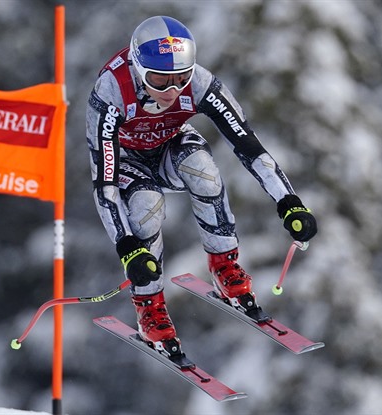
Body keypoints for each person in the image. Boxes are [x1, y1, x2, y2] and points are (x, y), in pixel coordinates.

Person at [85, 16, 317, 355]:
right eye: (159, 81)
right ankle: (150, 306)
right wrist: (127, 246)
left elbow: (248, 145)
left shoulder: (201, 84)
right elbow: (104, 180)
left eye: (180, 78)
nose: (171, 91)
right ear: (137, 68)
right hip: (127, 162)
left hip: (168, 147)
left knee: (204, 169)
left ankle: (224, 266)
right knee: (146, 205)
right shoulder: (111, 91)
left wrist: (289, 201)